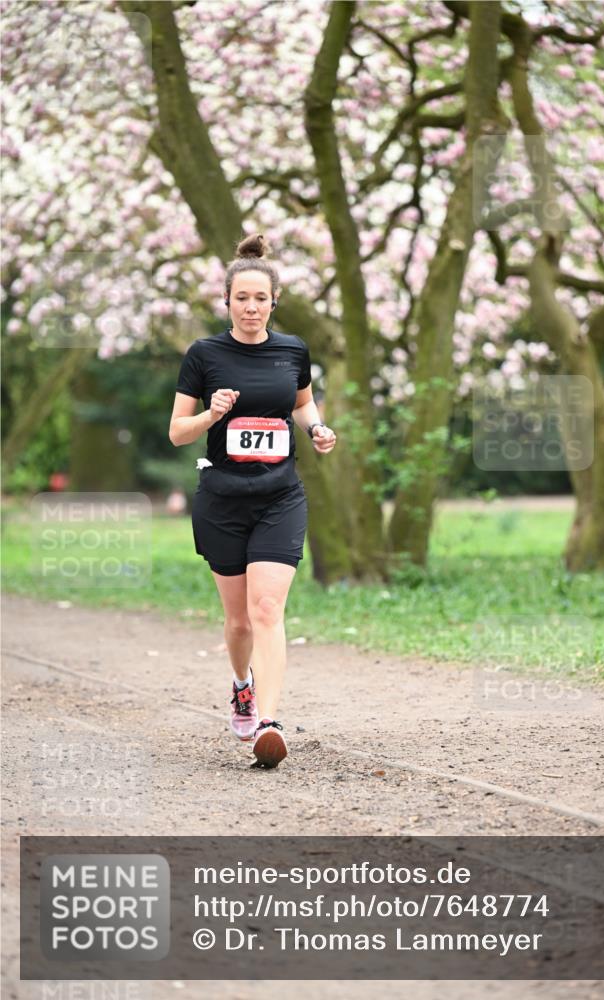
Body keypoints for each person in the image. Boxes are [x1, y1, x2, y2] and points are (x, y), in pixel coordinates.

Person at [169, 233, 336, 768]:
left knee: (268, 609)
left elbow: (305, 405)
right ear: (227, 301)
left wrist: (317, 429)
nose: (250, 307)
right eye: (241, 298)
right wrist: (211, 415)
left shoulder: (293, 351)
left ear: (273, 302)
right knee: (238, 622)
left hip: (279, 496)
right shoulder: (204, 355)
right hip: (222, 499)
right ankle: (241, 684)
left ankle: (268, 719)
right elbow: (177, 433)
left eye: (260, 298)